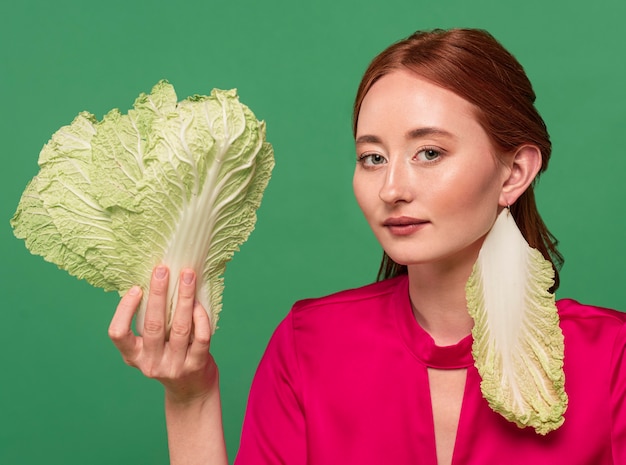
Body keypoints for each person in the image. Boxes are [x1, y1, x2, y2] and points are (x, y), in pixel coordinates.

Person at [108, 28, 626, 465]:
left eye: (429, 152)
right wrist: (190, 397)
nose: (392, 188)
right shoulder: (309, 344)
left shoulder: (611, 360)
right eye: (372, 157)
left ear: (513, 173)